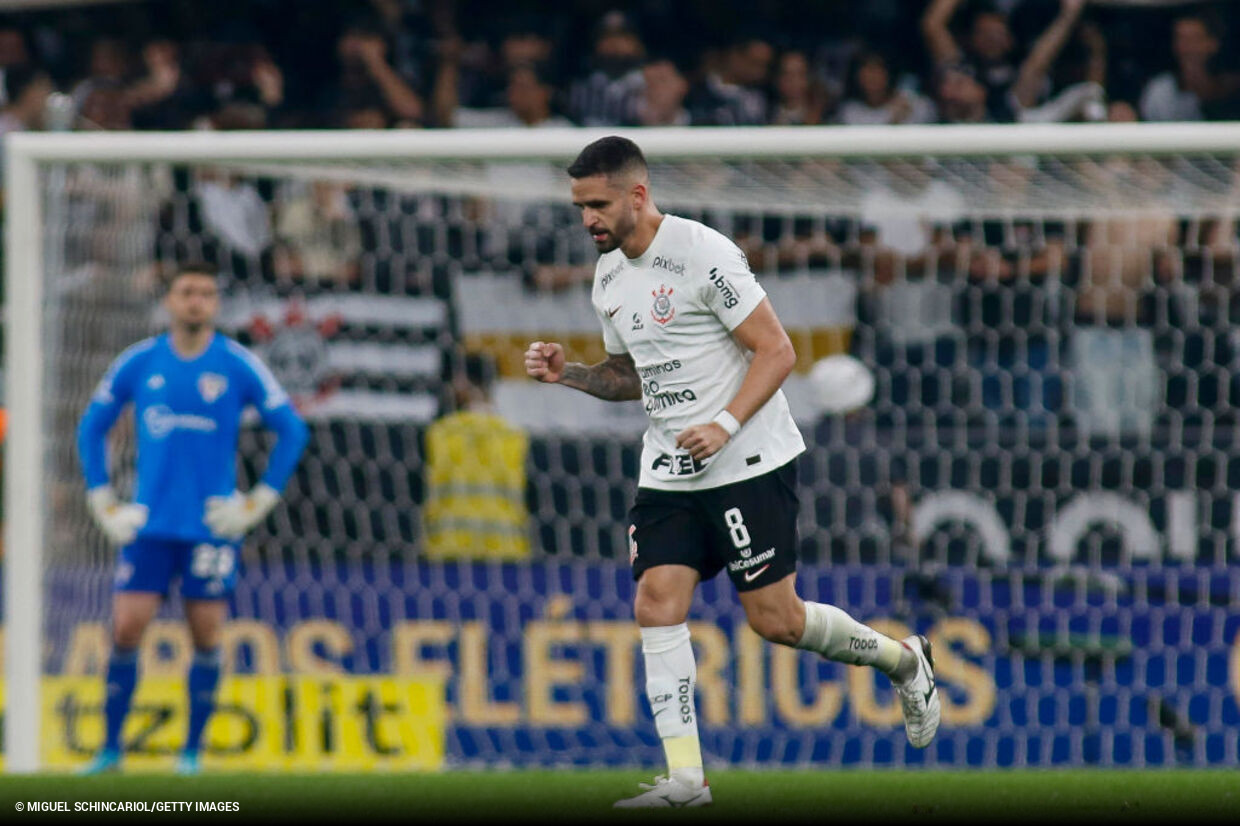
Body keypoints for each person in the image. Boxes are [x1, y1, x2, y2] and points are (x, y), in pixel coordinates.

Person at [524, 137, 940, 808]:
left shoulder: (702, 252)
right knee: (656, 601)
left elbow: (777, 351)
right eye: (578, 207)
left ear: (636, 195)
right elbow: (632, 376)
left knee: (776, 620)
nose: (587, 220)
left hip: (745, 455)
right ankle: (687, 779)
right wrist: (566, 374)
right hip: (669, 464)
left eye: (597, 205)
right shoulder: (608, 278)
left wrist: (723, 423)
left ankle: (904, 660)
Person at [76, 263, 309, 774]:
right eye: (187, 292)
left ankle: (191, 755)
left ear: (216, 304)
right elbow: (91, 427)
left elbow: (291, 429)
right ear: (170, 301)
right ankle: (111, 750)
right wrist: (103, 502)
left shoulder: (238, 363)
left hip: (211, 526)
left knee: (206, 634)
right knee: (125, 627)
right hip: (149, 525)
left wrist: (257, 502)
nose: (197, 301)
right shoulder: (140, 362)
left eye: (207, 292)